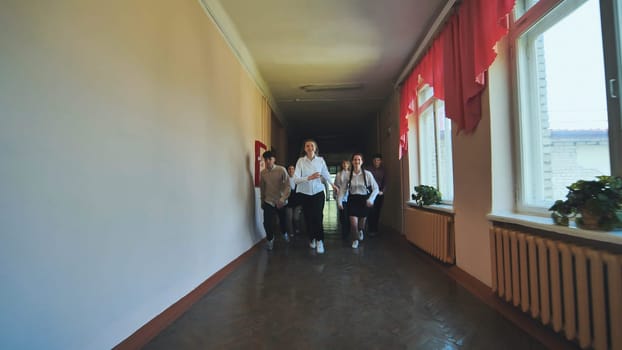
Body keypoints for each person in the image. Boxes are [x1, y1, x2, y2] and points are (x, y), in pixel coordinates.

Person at [293, 139, 338, 254]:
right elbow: (296, 179)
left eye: (312, 146)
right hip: (304, 193)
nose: (309, 148)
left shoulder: (320, 160)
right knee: (308, 218)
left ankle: (320, 241)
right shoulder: (300, 161)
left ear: (315, 148)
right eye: (307, 146)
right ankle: (312, 238)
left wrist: (333, 185)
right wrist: (309, 177)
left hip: (318, 192)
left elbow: (326, 173)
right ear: (305, 149)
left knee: (318, 217)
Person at [338, 153, 379, 249]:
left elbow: (376, 188)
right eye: (355, 160)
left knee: (361, 224)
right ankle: (355, 240)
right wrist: (339, 201)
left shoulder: (367, 174)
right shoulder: (348, 175)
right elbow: (343, 189)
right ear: (352, 162)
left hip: (364, 200)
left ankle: (360, 230)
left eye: (358, 160)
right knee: (353, 223)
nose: (356, 161)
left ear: (362, 162)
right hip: (352, 200)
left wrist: (371, 199)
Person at [260, 151, 291, 250]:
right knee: (267, 222)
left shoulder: (281, 170)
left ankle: (284, 232)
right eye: (266, 160)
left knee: (283, 221)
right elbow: (262, 188)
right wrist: (262, 200)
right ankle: (270, 239)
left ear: (274, 159)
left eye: (270, 159)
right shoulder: (263, 173)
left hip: (280, 201)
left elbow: (288, 186)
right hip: (269, 200)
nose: (268, 161)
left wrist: (282, 199)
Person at [366, 153, 386, 235]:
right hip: (370, 193)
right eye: (375, 160)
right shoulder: (368, 169)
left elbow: (385, 182)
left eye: (378, 160)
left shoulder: (383, 170)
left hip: (379, 194)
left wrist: (383, 191)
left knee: (377, 211)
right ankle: (370, 229)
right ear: (372, 161)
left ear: (381, 161)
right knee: (371, 211)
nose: (376, 162)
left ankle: (375, 229)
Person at [334, 160, 351, 240]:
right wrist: (335, 194)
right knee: (342, 216)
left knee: (347, 215)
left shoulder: (351, 173)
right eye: (343, 163)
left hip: (349, 197)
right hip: (340, 196)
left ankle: (347, 232)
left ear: (349, 165)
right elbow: (336, 185)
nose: (345, 165)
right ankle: (344, 231)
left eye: (346, 163)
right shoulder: (338, 174)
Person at [285, 165, 303, 238]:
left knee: (296, 218)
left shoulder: (298, 179)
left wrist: (302, 203)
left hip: (297, 201)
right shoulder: (285, 180)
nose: (291, 170)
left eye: (292, 169)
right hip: (288, 201)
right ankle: (291, 232)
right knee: (289, 218)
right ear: (287, 170)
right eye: (289, 169)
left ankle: (297, 228)